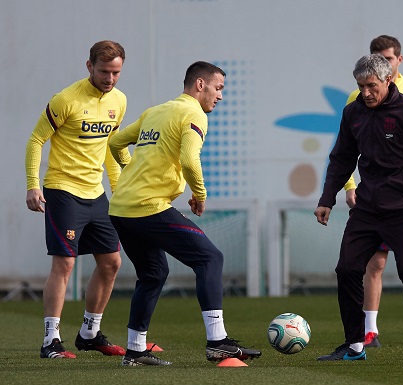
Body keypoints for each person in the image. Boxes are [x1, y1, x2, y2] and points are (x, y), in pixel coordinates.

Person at [108, 61, 261, 366]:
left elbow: (115, 142)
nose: (220, 96)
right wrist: (200, 195)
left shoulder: (157, 111)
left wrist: (130, 171)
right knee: (210, 258)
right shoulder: (193, 113)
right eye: (218, 88)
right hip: (147, 207)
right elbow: (190, 160)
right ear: (200, 85)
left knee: (153, 274)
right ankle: (218, 342)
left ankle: (135, 351)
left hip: (121, 208)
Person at [314, 54, 403, 361]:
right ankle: (354, 345)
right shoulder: (353, 114)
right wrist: (327, 199)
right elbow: (341, 159)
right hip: (366, 209)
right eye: (361, 86)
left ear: (388, 80)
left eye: (371, 86)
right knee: (347, 269)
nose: (365, 93)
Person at [25, 40, 129, 359]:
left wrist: (120, 189)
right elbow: (36, 140)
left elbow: (111, 148)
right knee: (65, 263)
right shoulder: (65, 99)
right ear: (89, 67)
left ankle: (89, 332)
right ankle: (50, 341)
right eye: (103, 71)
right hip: (63, 190)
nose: (110, 78)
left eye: (116, 72)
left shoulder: (119, 101)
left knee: (111, 263)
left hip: (96, 194)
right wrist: (32, 185)